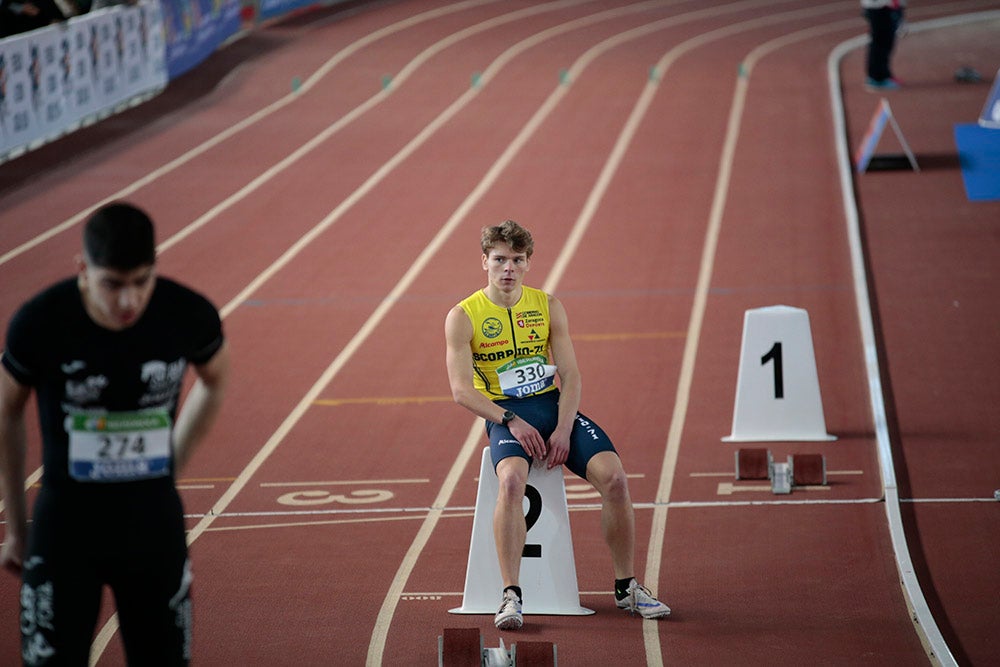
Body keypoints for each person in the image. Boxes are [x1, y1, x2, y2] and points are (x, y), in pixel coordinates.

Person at [0, 202, 229, 665]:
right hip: (65, 527)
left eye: (142, 281)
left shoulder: (187, 314)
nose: (129, 301)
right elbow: (6, 411)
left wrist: (173, 463)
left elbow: (216, 379)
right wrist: (16, 524)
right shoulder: (41, 322)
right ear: (83, 268)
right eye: (113, 285)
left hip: (152, 527)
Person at [445, 219, 670, 631]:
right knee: (511, 481)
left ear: (528, 263)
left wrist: (564, 428)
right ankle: (511, 594)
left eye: (516, 259)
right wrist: (510, 420)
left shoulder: (548, 306)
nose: (508, 268)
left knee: (616, 479)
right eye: (499, 259)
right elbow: (461, 391)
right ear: (484, 261)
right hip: (506, 416)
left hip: (553, 408)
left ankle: (627, 586)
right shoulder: (464, 316)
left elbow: (572, 375)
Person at [862, 0, 906, 90]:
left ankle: (884, 75)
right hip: (880, 7)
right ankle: (876, 78)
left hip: (886, 6)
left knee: (886, 43)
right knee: (880, 43)